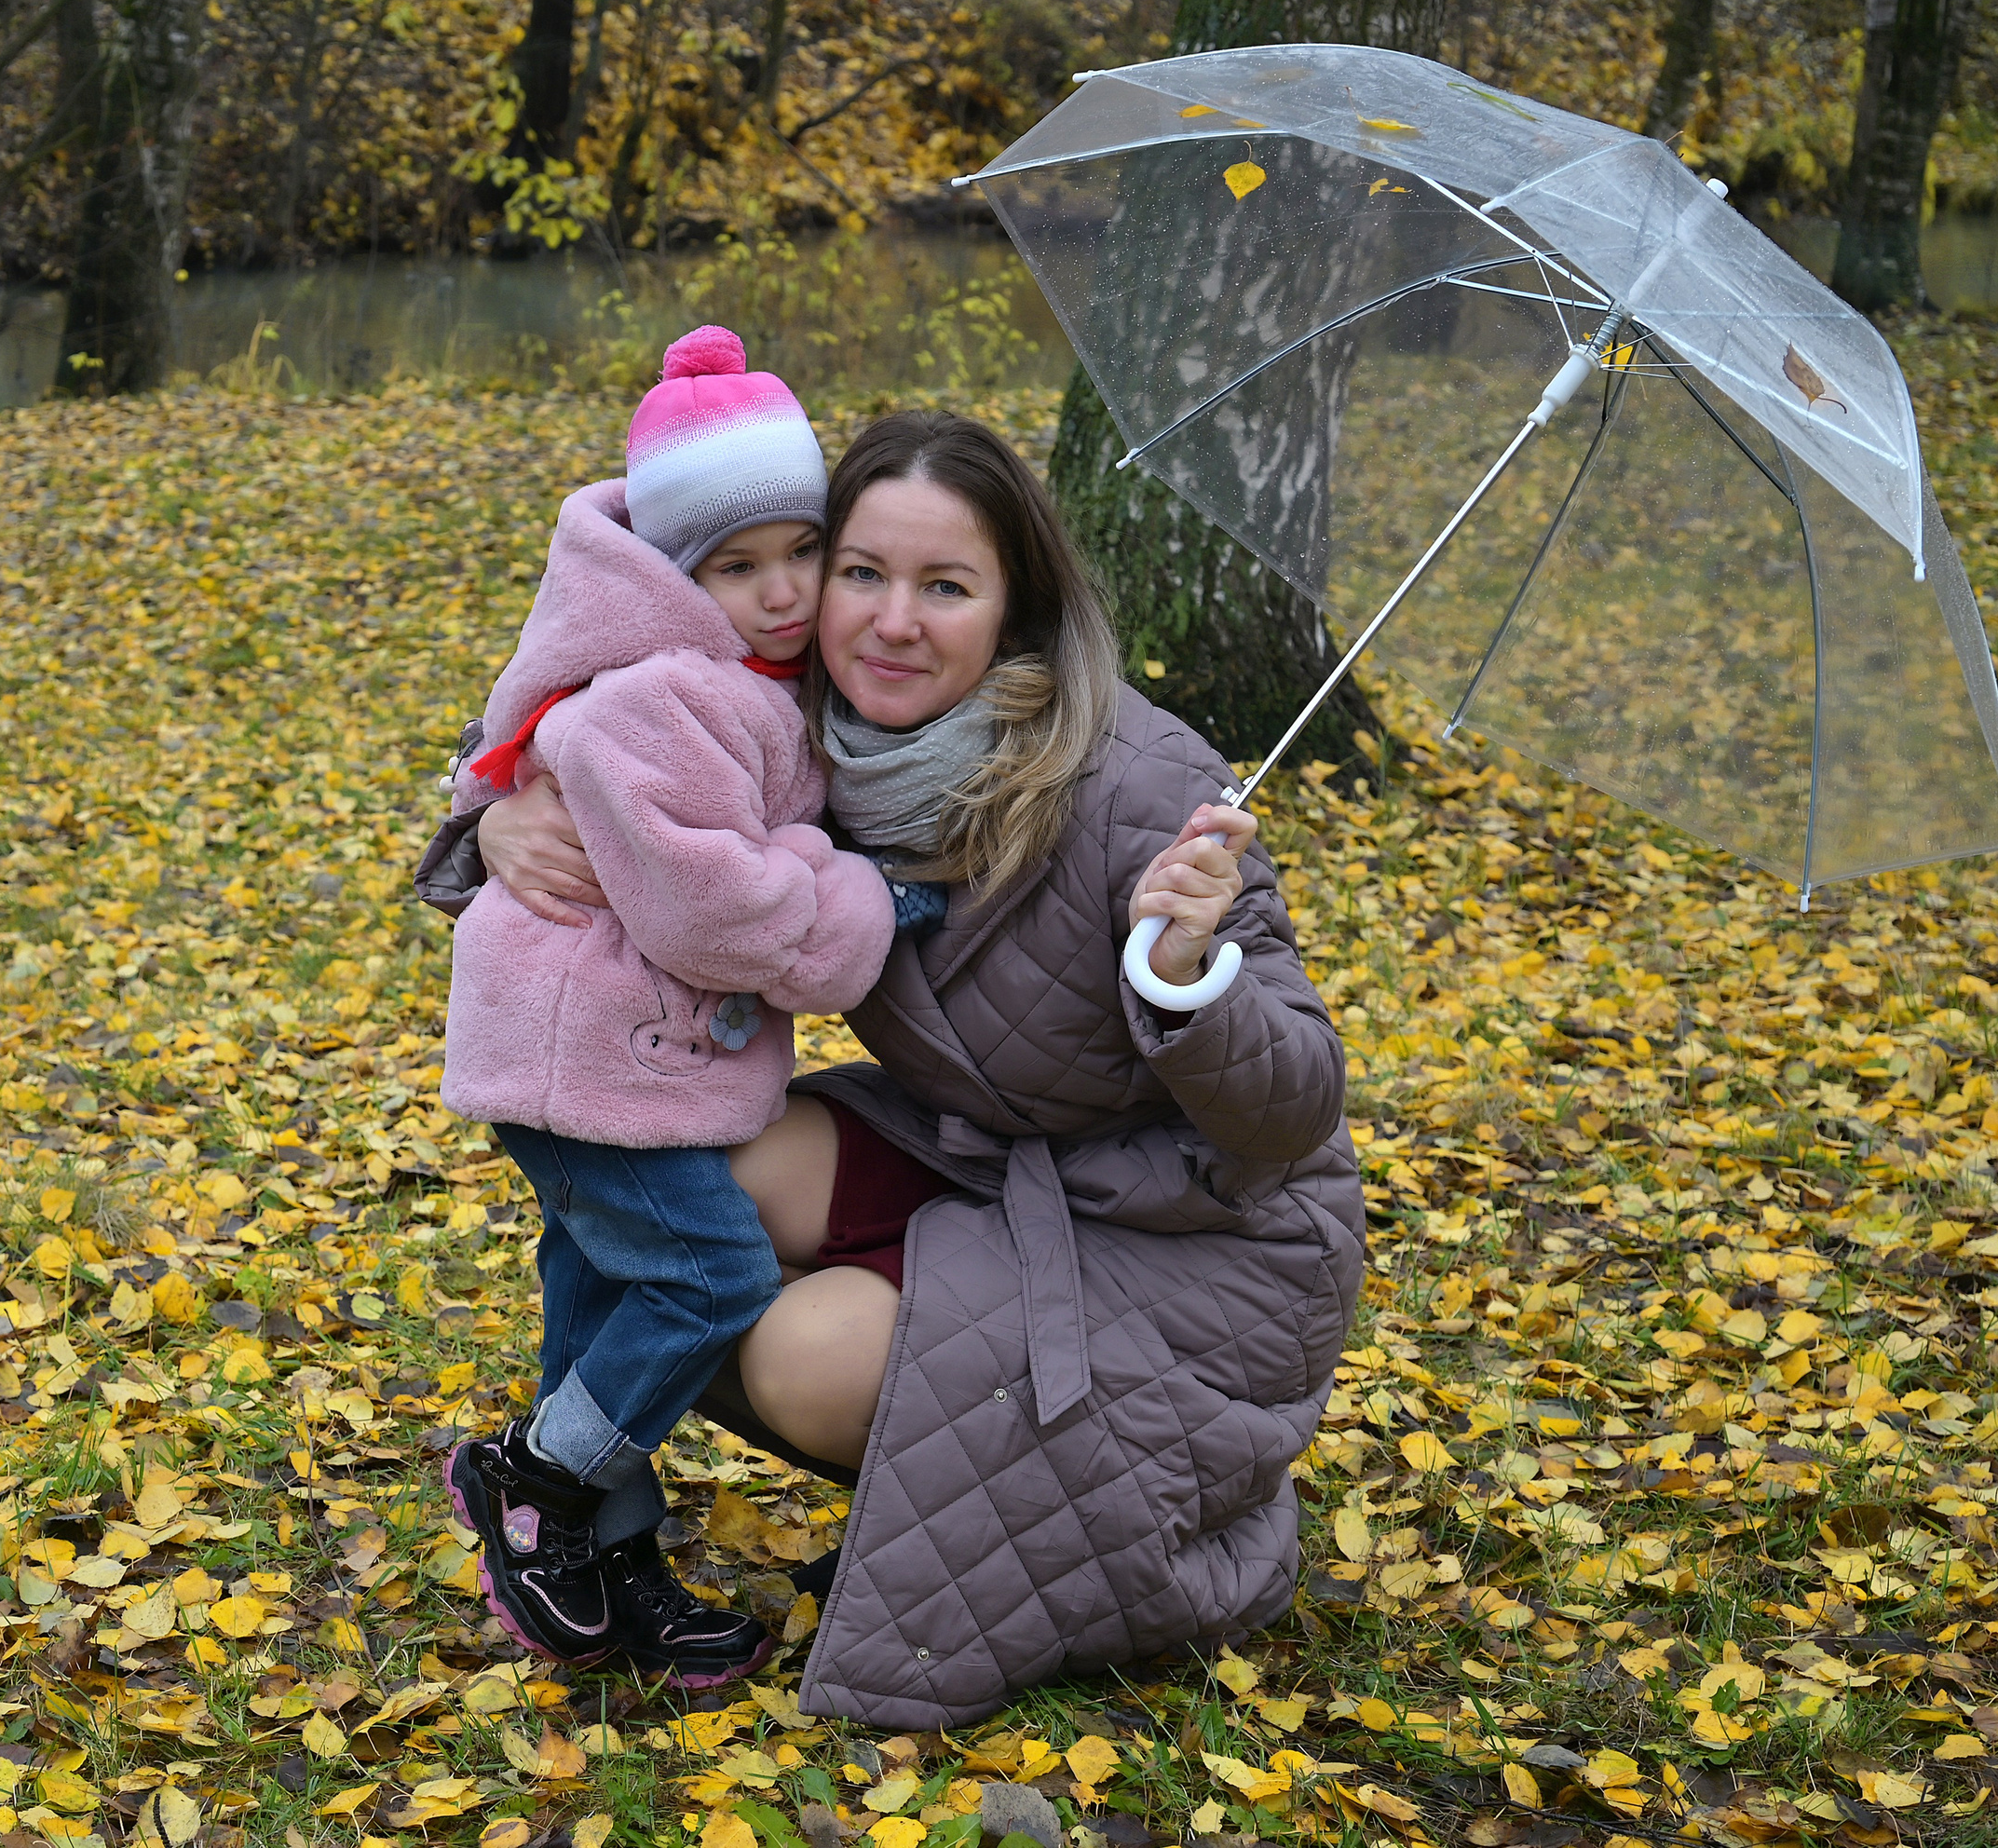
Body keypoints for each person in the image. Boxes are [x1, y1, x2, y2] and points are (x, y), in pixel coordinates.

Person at [479, 411, 1364, 1726]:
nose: (892, 621)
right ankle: (587, 1522)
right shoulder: (811, 736)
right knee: (667, 1170)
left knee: (784, 1352)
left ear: (1015, 609)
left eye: (944, 586)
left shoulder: (1140, 782)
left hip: (1194, 1233)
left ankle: (1116, 1498)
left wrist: (1189, 970)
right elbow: (593, 740)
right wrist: (500, 817)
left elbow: (1295, 1106)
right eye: (862, 573)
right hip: (987, 1160)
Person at [437, 327, 899, 1691]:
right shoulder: (668, 687)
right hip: (586, 1054)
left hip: (603, 1052)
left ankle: (611, 1558)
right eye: (733, 568)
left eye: (797, 555)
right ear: (672, 575)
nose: (778, 594)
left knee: (592, 1291)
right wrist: (870, 898)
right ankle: (540, 1477)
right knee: (712, 1276)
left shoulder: (749, 679)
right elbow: (713, 903)